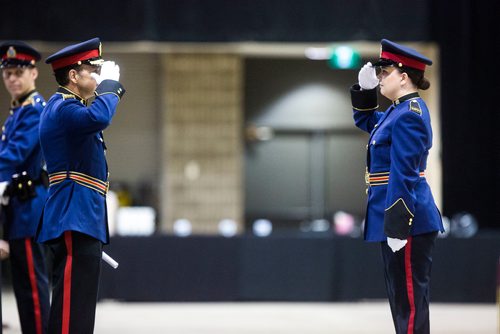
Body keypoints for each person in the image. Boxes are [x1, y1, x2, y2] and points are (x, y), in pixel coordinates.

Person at [350, 39, 444, 334]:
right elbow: (367, 121)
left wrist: (398, 225)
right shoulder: (397, 112)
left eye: (384, 73)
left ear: (403, 77)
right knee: (401, 301)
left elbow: (403, 174)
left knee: (410, 302)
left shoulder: (410, 115)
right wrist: (364, 91)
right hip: (396, 217)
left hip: (408, 220)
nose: (379, 79)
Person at [36, 37, 125, 334]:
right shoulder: (62, 107)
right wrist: (111, 86)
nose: (98, 76)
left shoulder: (70, 108)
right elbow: (99, 117)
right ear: (73, 75)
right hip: (73, 213)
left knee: (80, 306)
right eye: (93, 69)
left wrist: (108, 87)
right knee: (71, 307)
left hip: (81, 214)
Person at [0, 40, 50, 334]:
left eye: (19, 72)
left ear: (34, 73)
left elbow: (14, 156)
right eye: (8, 74)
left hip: (29, 204)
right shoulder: (17, 111)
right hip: (18, 206)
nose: (13, 79)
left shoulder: (34, 110)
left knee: (32, 283)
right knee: (22, 283)